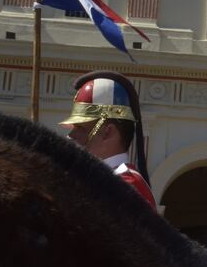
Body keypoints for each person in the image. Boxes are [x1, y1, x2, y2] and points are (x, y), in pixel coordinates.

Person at [60, 71, 156, 210]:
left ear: (108, 132)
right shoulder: (95, 179)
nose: (70, 136)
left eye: (80, 128)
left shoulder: (127, 186)